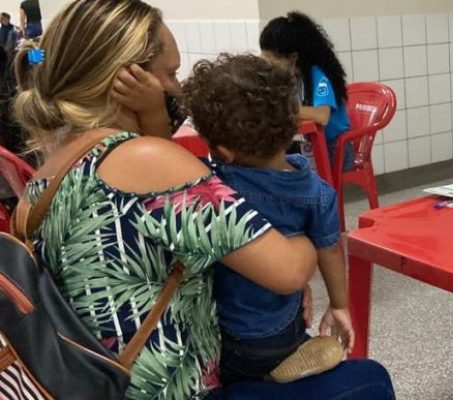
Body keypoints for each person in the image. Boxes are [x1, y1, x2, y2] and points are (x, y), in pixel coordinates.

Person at [13, 1, 393, 399]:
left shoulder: (46, 174)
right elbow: (290, 271)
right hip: (175, 388)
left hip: (95, 381)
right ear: (126, 78)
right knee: (369, 380)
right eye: (171, 73)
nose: (177, 88)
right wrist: (304, 232)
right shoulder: (149, 161)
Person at [182, 54, 355, 385]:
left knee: (233, 372)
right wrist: (339, 306)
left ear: (224, 151)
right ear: (292, 125)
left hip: (229, 333)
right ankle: (279, 368)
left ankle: (253, 382)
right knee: (277, 350)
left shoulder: (215, 186)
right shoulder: (318, 192)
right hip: (284, 330)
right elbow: (331, 251)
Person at [259, 12, 355, 172]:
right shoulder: (292, 76)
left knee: (280, 169)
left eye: (271, 59)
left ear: (293, 58)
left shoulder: (318, 75)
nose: (268, 65)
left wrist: (283, 109)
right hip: (312, 144)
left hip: (336, 150)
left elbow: (321, 116)